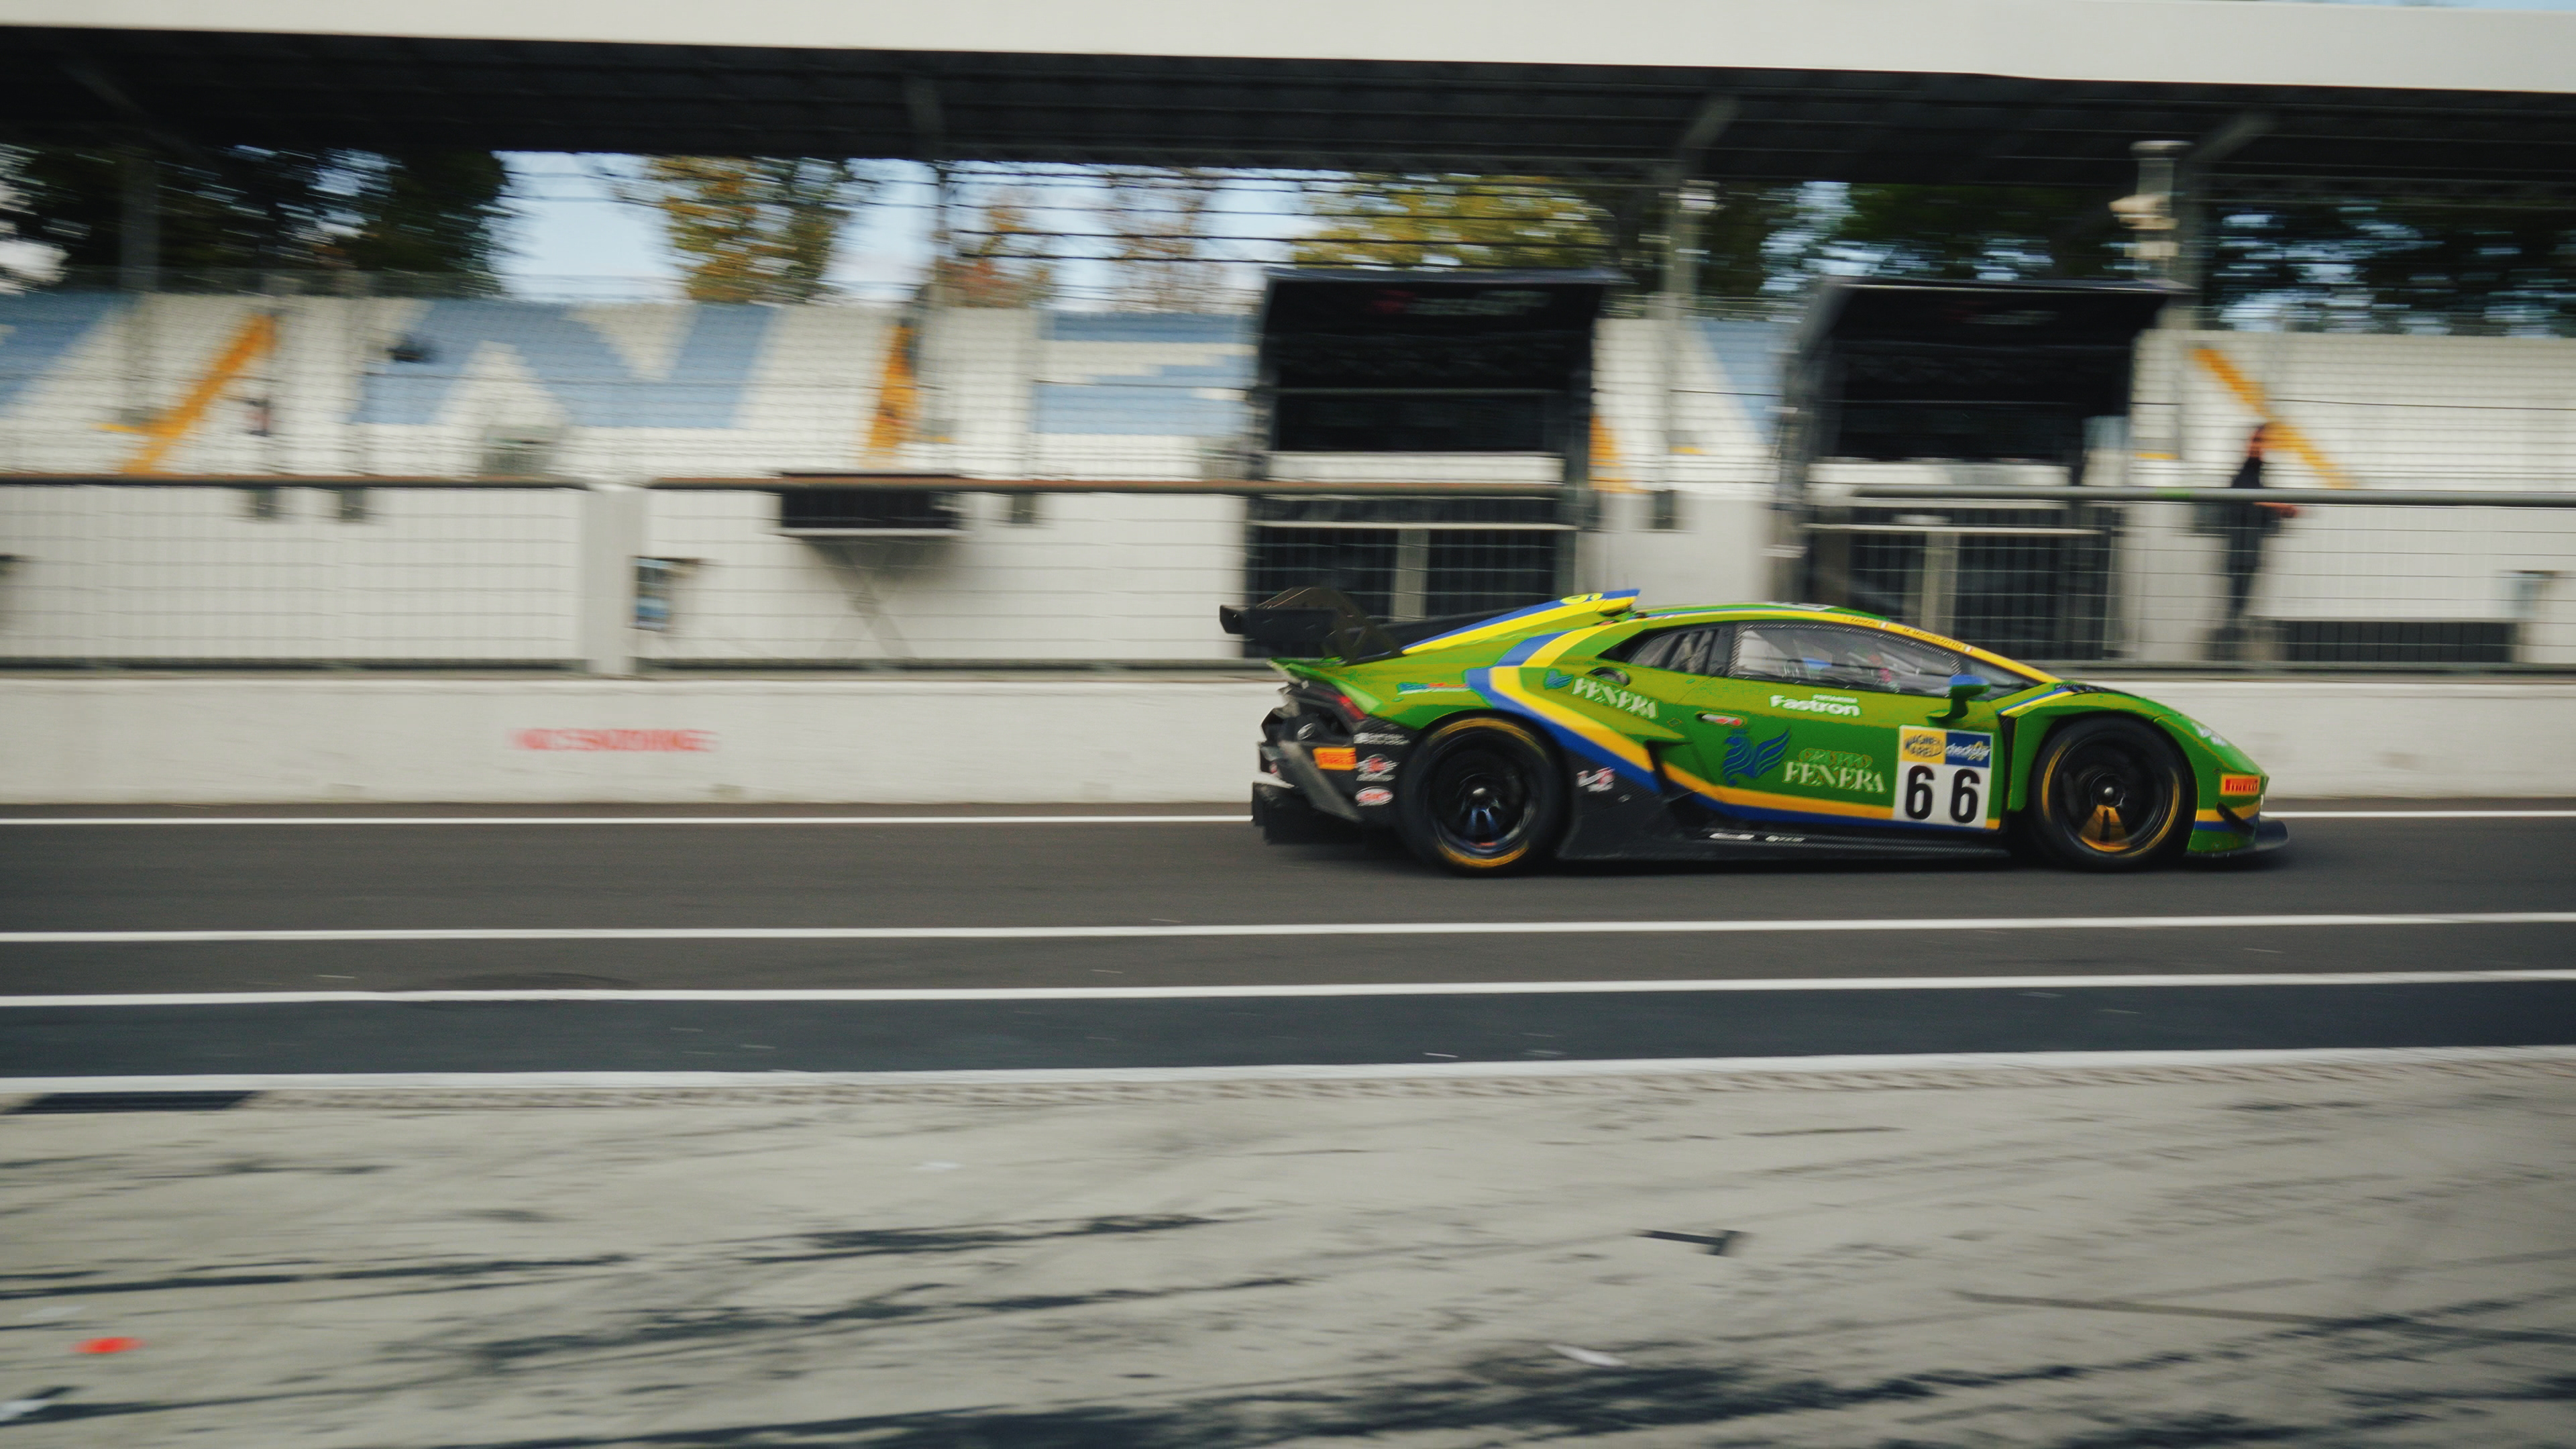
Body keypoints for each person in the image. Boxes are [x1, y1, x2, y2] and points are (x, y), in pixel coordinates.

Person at [2213, 423, 2299, 659]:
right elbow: (2248, 497)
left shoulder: (2256, 474)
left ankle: (2230, 658)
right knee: (2236, 608)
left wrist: (2278, 509)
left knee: (2239, 607)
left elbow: (2258, 501)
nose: (2260, 447)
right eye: (2256, 441)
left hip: (2248, 553)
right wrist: (2278, 506)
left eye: (2262, 442)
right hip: (2241, 553)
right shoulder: (2244, 475)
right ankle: (2228, 659)